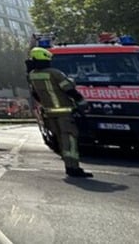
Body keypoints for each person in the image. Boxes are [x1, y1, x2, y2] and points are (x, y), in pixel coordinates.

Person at [27, 46, 92, 178]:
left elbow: (35, 94)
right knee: (70, 139)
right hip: (64, 112)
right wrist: (81, 102)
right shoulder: (54, 73)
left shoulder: (32, 75)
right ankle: (73, 167)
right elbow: (69, 90)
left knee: (60, 140)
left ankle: (68, 165)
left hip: (49, 113)